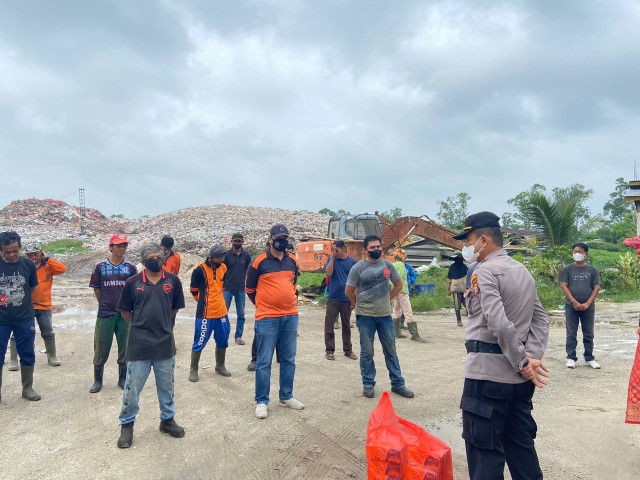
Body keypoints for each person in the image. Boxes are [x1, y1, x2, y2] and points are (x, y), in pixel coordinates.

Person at [453, 211, 549, 480]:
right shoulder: (521, 270)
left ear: (483, 240)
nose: (466, 246)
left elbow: (499, 323)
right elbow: (540, 318)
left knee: (485, 456)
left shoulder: (484, 271)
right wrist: (532, 357)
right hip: (519, 383)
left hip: (487, 378)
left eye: (468, 240)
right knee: (521, 449)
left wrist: (522, 362)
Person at [116, 244, 186, 448]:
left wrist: (162, 323)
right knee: (132, 389)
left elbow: (174, 308)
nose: (156, 260)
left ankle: (167, 420)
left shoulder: (173, 281)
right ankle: (127, 425)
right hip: (139, 345)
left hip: (165, 344)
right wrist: (139, 326)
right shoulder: (133, 282)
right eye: (151, 257)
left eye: (159, 256)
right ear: (143, 261)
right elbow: (125, 311)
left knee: (167, 387)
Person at [345, 235, 414, 399]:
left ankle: (398, 384)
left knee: (391, 350)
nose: (376, 249)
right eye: (372, 247)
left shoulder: (388, 266)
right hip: (365, 316)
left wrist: (388, 298)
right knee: (367, 352)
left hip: (384, 316)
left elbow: (398, 285)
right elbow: (348, 290)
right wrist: (357, 302)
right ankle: (368, 384)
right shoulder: (358, 268)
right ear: (365, 249)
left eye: (378, 247)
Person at [246, 224, 303, 419]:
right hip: (267, 318)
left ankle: (286, 396)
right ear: (270, 239)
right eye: (278, 238)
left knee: (288, 359)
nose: (282, 241)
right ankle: (262, 401)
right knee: (264, 361)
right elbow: (250, 289)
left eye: (285, 238)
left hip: (291, 317)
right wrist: (264, 305)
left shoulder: (292, 261)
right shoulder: (259, 261)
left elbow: (293, 284)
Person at [88, 234, 137, 393]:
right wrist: (104, 303)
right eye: (118, 245)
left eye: (124, 246)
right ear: (111, 247)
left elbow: (133, 290)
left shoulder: (130, 267)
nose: (121, 249)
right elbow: (97, 289)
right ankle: (98, 380)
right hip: (106, 313)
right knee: (101, 346)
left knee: (125, 346)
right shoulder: (100, 267)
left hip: (125, 314)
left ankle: (122, 378)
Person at [7, 242, 67, 370]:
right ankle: (13, 359)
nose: (33, 257)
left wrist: (48, 259)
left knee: (48, 331)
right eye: (30, 255)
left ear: (41, 253)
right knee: (17, 332)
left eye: (36, 254)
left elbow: (62, 269)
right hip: (24, 305)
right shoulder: (23, 266)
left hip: (44, 305)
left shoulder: (48, 266)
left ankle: (52, 356)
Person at [0, 231, 41, 401]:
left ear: (20, 247)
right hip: (1, 321)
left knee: (27, 353)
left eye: (15, 251)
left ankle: (27, 388)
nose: (11, 255)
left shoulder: (28, 265)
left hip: (24, 318)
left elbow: (31, 288)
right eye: (7, 252)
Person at [189, 244, 232, 381]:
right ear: (211, 257)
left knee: (223, 339)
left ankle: (220, 366)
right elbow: (193, 290)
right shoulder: (199, 270)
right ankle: (193, 369)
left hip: (221, 311)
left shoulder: (224, 267)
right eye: (218, 258)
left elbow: (222, 285)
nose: (221, 260)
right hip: (205, 313)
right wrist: (203, 301)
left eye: (222, 257)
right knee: (200, 341)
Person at [559, 242, 601, 369]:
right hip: (571, 306)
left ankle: (589, 358)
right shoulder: (567, 269)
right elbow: (563, 285)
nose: (577, 254)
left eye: (580, 252)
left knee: (588, 333)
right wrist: (574, 302)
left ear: (586, 254)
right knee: (571, 332)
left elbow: (596, 287)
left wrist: (588, 303)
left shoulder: (592, 270)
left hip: (588, 307)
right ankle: (571, 358)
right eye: (575, 251)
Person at [323, 240, 357, 361]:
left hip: (346, 298)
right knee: (329, 324)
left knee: (346, 325)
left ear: (343, 249)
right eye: (333, 250)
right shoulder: (331, 260)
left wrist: (354, 299)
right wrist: (332, 257)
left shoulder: (352, 262)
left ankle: (348, 350)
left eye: (337, 250)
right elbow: (329, 272)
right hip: (333, 298)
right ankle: (329, 350)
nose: (335, 252)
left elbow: (356, 281)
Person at [223, 233, 251, 346]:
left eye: (239, 241)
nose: (237, 243)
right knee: (223, 314)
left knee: (241, 315)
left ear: (242, 242)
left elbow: (248, 271)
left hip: (240, 289)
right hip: (227, 288)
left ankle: (238, 336)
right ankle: (223, 335)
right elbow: (222, 271)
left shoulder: (246, 256)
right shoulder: (226, 255)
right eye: (235, 241)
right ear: (232, 241)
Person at [391, 248, 426, 343]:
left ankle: (396, 332)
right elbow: (399, 278)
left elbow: (389, 279)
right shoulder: (402, 265)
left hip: (394, 291)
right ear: (402, 257)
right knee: (408, 312)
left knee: (396, 311)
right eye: (405, 256)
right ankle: (415, 335)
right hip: (402, 290)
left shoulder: (392, 265)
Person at [447, 253, 468, 327]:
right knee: (457, 305)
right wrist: (448, 289)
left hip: (465, 289)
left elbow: (468, 277)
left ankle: (470, 320)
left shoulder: (465, 267)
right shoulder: (452, 267)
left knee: (467, 305)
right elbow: (449, 279)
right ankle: (459, 321)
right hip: (455, 289)